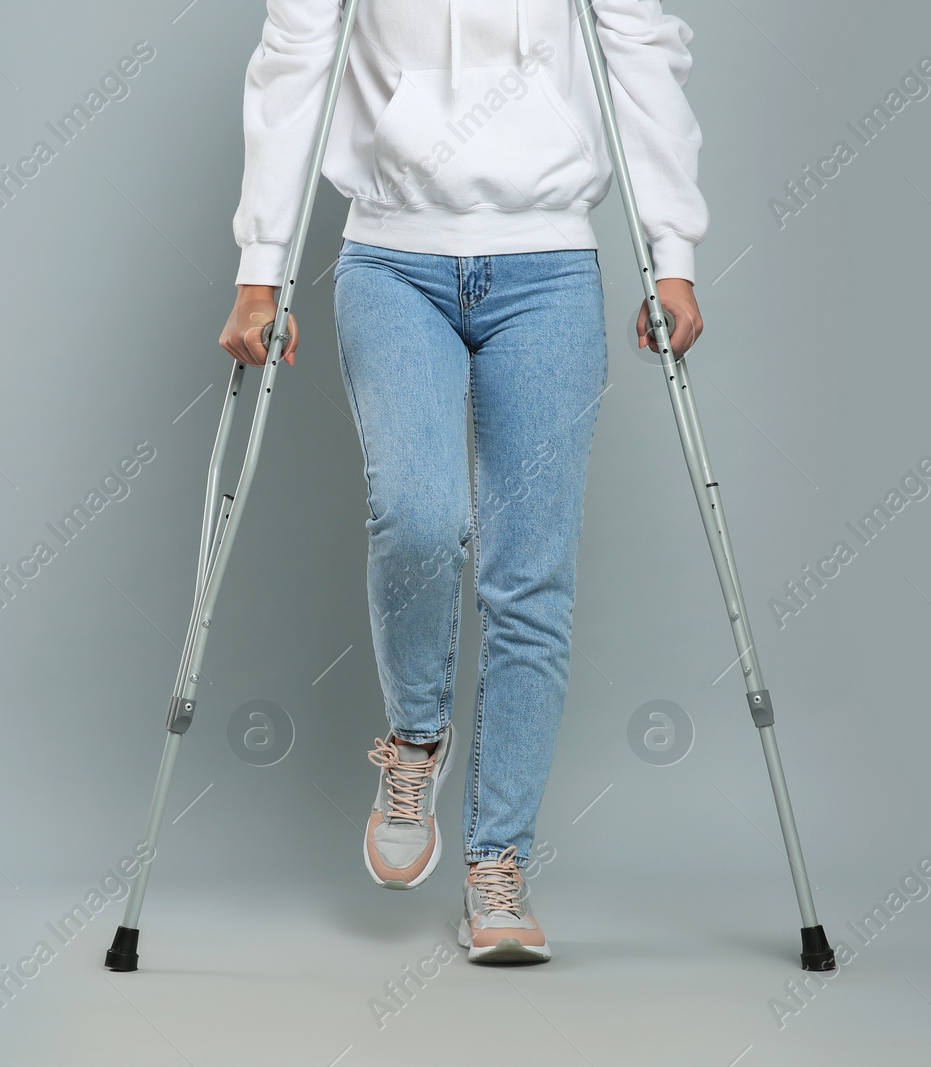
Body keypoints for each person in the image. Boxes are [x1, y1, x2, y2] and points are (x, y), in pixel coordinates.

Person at [220, 0, 708, 964]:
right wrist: (260, 265)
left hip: (549, 263)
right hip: (394, 254)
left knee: (529, 575)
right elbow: (295, 55)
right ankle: (414, 735)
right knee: (417, 513)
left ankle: (499, 866)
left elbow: (641, 49)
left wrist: (673, 248)